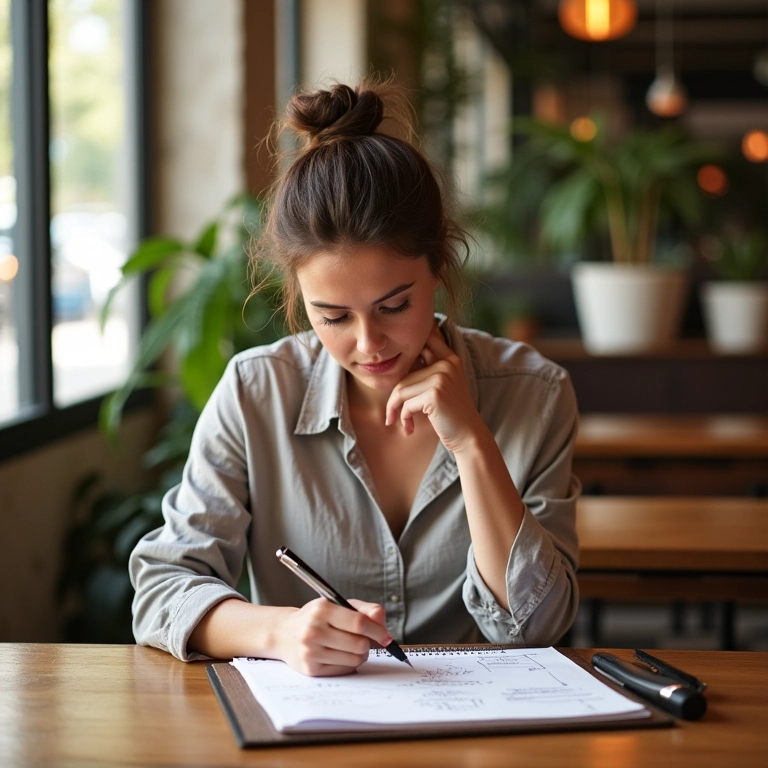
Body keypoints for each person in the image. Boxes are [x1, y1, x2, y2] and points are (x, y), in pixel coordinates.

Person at [129, 80, 580, 677]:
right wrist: (280, 631)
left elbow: (537, 624)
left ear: (438, 268)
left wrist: (472, 443)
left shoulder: (533, 392)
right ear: (298, 298)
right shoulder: (256, 392)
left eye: (394, 306)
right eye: (333, 317)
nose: (368, 345)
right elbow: (163, 589)